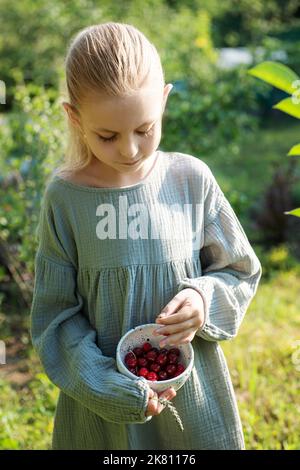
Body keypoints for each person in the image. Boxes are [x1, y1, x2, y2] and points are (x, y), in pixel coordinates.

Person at [30, 22, 262, 450]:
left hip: (191, 400)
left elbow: (240, 270)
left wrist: (201, 298)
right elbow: (54, 319)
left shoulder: (191, 179)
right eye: (108, 136)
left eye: (144, 129)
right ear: (74, 117)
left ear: (164, 101)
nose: (131, 150)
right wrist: (109, 387)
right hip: (102, 406)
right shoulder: (66, 198)